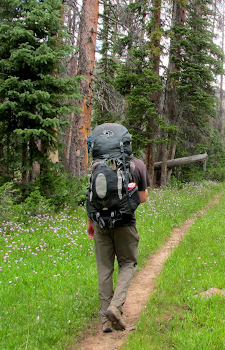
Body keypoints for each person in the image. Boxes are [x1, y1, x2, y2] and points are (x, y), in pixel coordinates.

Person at [86, 132, 150, 333]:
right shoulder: (137, 165)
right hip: (125, 223)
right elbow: (142, 197)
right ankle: (116, 306)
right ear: (127, 145)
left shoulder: (97, 166)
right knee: (128, 263)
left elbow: (91, 198)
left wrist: (90, 222)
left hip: (101, 225)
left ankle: (105, 319)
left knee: (104, 269)